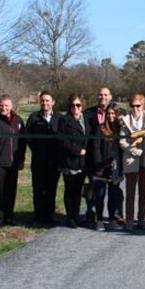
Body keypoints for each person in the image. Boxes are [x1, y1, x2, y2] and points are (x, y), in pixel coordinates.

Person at [83, 86, 123, 224]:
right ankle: (91, 213)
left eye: (106, 95)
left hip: (113, 163)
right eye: (100, 95)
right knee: (94, 191)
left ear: (110, 96)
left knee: (114, 191)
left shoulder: (119, 119)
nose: (103, 97)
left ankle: (115, 215)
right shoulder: (88, 113)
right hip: (94, 158)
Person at [0, 95, 26, 226]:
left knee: (11, 191)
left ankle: (9, 216)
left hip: (13, 163)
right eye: (1, 105)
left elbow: (22, 142)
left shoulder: (18, 120)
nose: (4, 108)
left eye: (6, 105)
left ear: (11, 106)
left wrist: (21, 159)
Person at [119, 94, 145, 231]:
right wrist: (135, 151)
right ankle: (129, 220)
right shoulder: (125, 120)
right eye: (133, 106)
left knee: (143, 192)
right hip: (131, 160)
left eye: (138, 106)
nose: (135, 108)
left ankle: (141, 219)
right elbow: (122, 141)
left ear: (143, 106)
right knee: (130, 192)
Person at [26, 91, 62, 227]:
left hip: (54, 161)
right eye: (42, 101)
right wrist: (37, 149)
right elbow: (28, 137)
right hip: (38, 160)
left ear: (53, 102)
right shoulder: (33, 117)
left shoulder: (59, 118)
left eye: (47, 100)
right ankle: (38, 216)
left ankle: (49, 216)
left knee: (51, 189)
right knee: (38, 189)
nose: (45, 103)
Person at [58, 94, 91, 228]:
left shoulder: (86, 119)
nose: (75, 108)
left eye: (78, 105)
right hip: (70, 160)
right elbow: (62, 140)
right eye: (73, 105)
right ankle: (70, 217)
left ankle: (77, 216)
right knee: (69, 189)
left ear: (82, 105)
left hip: (82, 162)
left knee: (78, 190)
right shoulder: (65, 120)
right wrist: (77, 150)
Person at [91, 103, 122, 231]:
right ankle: (99, 220)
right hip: (102, 167)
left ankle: (111, 219)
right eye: (108, 113)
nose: (110, 116)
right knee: (100, 194)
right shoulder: (101, 128)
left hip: (115, 167)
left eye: (113, 113)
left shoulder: (120, 129)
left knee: (113, 195)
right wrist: (99, 166)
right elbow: (96, 148)